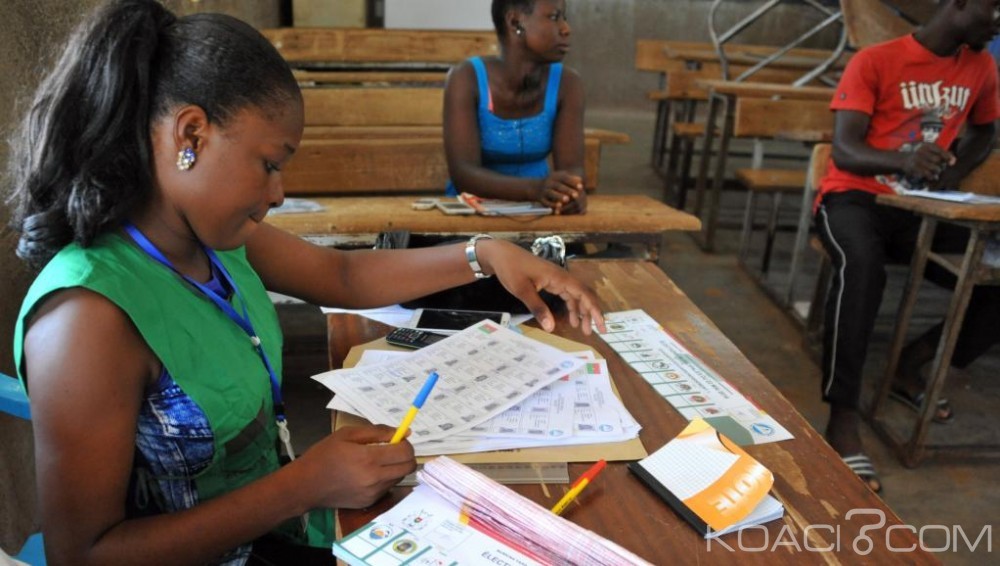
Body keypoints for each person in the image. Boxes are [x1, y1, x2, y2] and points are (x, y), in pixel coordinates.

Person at [4, 1, 606, 564]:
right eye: (270, 164)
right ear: (191, 136)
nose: (278, 192)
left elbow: (340, 273)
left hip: (282, 531)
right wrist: (303, 486)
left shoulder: (211, 238)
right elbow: (83, 554)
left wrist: (487, 252)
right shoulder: (87, 317)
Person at [815, 0, 1000, 493]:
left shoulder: (980, 65)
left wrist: (951, 175)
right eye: (995, 7)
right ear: (959, 4)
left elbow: (985, 131)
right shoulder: (875, 60)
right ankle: (843, 417)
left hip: (923, 207)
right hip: (854, 198)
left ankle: (909, 366)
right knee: (862, 267)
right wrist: (904, 158)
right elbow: (846, 150)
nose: (999, 20)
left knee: (995, 274)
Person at [442, 0, 587, 215]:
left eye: (564, 18)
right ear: (515, 22)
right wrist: (535, 189)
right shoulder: (466, 78)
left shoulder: (568, 84)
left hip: (541, 210)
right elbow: (463, 174)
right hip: (472, 213)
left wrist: (569, 192)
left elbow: (572, 168)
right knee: (484, 249)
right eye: (554, 17)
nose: (566, 29)